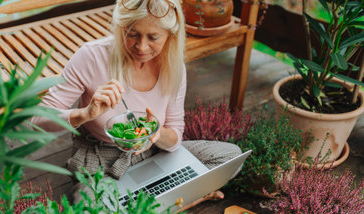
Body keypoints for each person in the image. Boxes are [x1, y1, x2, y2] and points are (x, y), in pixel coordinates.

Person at [32, 0, 241, 203]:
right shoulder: (91, 56)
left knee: (230, 156)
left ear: (170, 34)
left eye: (153, 37)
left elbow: (175, 136)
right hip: (100, 158)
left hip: (153, 153)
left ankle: (143, 206)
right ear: (120, 27)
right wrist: (85, 114)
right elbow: (37, 120)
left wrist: (157, 134)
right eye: (132, 33)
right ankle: (174, 202)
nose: (141, 46)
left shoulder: (173, 66)